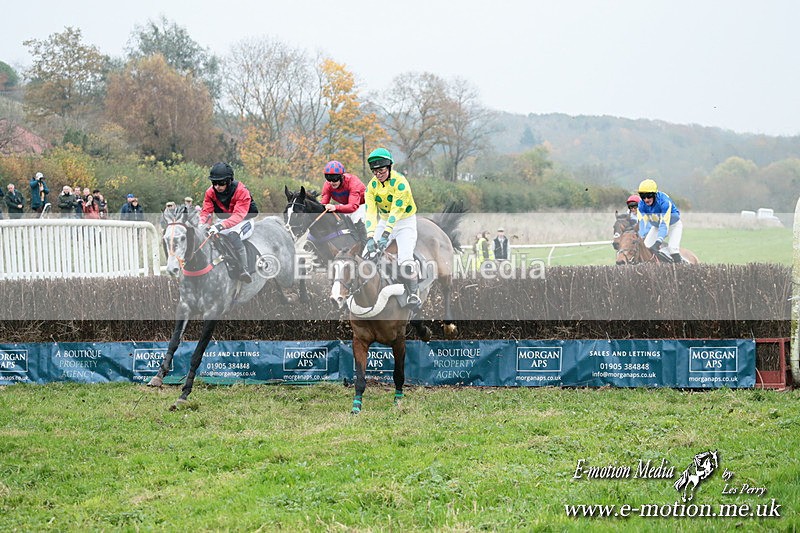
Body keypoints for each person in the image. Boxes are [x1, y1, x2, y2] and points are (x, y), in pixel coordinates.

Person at [363, 147, 421, 310]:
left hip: (405, 222)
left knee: (405, 259)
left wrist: (386, 234)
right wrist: (370, 236)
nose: (378, 174)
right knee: (366, 255)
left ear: (389, 167)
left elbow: (396, 211)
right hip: (384, 221)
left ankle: (413, 294)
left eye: (381, 169)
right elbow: (370, 212)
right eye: (374, 171)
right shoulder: (371, 187)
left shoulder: (401, 182)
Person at [200, 162, 259, 283]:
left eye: (221, 183)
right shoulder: (210, 192)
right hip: (225, 220)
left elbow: (238, 215)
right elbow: (206, 212)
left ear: (229, 181)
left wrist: (221, 226)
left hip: (244, 220)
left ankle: (244, 269)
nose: (217, 186)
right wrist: (202, 225)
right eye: (214, 183)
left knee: (233, 235)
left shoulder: (241, 191)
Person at [636, 179, 684, 263]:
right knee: (646, 246)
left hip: (673, 225)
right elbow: (642, 223)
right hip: (657, 226)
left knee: (672, 249)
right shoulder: (641, 205)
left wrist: (658, 242)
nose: (646, 199)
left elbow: (664, 225)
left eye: (649, 195)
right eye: (643, 196)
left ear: (655, 194)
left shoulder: (665, 202)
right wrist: (640, 236)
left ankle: (682, 269)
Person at [320, 160, 367, 241]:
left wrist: (335, 207)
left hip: (362, 204)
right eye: (328, 178)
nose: (331, 182)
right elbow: (323, 204)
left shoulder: (353, 182)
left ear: (342, 176)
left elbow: (353, 207)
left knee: (356, 220)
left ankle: (364, 245)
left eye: (334, 178)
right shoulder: (327, 185)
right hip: (346, 205)